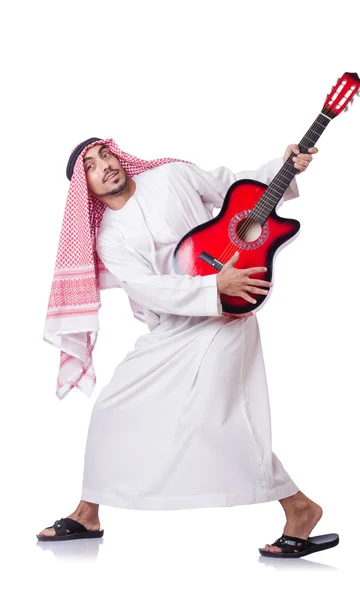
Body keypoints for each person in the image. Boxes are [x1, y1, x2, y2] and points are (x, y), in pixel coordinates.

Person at [37, 137, 338, 558]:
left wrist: (284, 165)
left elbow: (235, 187)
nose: (104, 165)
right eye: (91, 165)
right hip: (173, 327)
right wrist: (212, 283)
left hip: (223, 318)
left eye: (106, 154)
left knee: (220, 419)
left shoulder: (172, 176)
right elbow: (149, 288)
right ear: (84, 188)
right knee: (113, 408)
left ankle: (300, 509)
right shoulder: (109, 238)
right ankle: (88, 513)